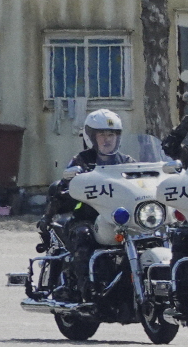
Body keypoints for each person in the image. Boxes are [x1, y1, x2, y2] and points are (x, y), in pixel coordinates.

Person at [38, 109, 130, 260]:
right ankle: (83, 276)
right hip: (88, 219)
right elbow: (63, 188)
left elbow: (141, 182)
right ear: (91, 137)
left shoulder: (126, 162)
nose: (107, 140)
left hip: (122, 219)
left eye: (111, 135)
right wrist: (48, 214)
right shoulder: (81, 160)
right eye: (102, 135)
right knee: (83, 237)